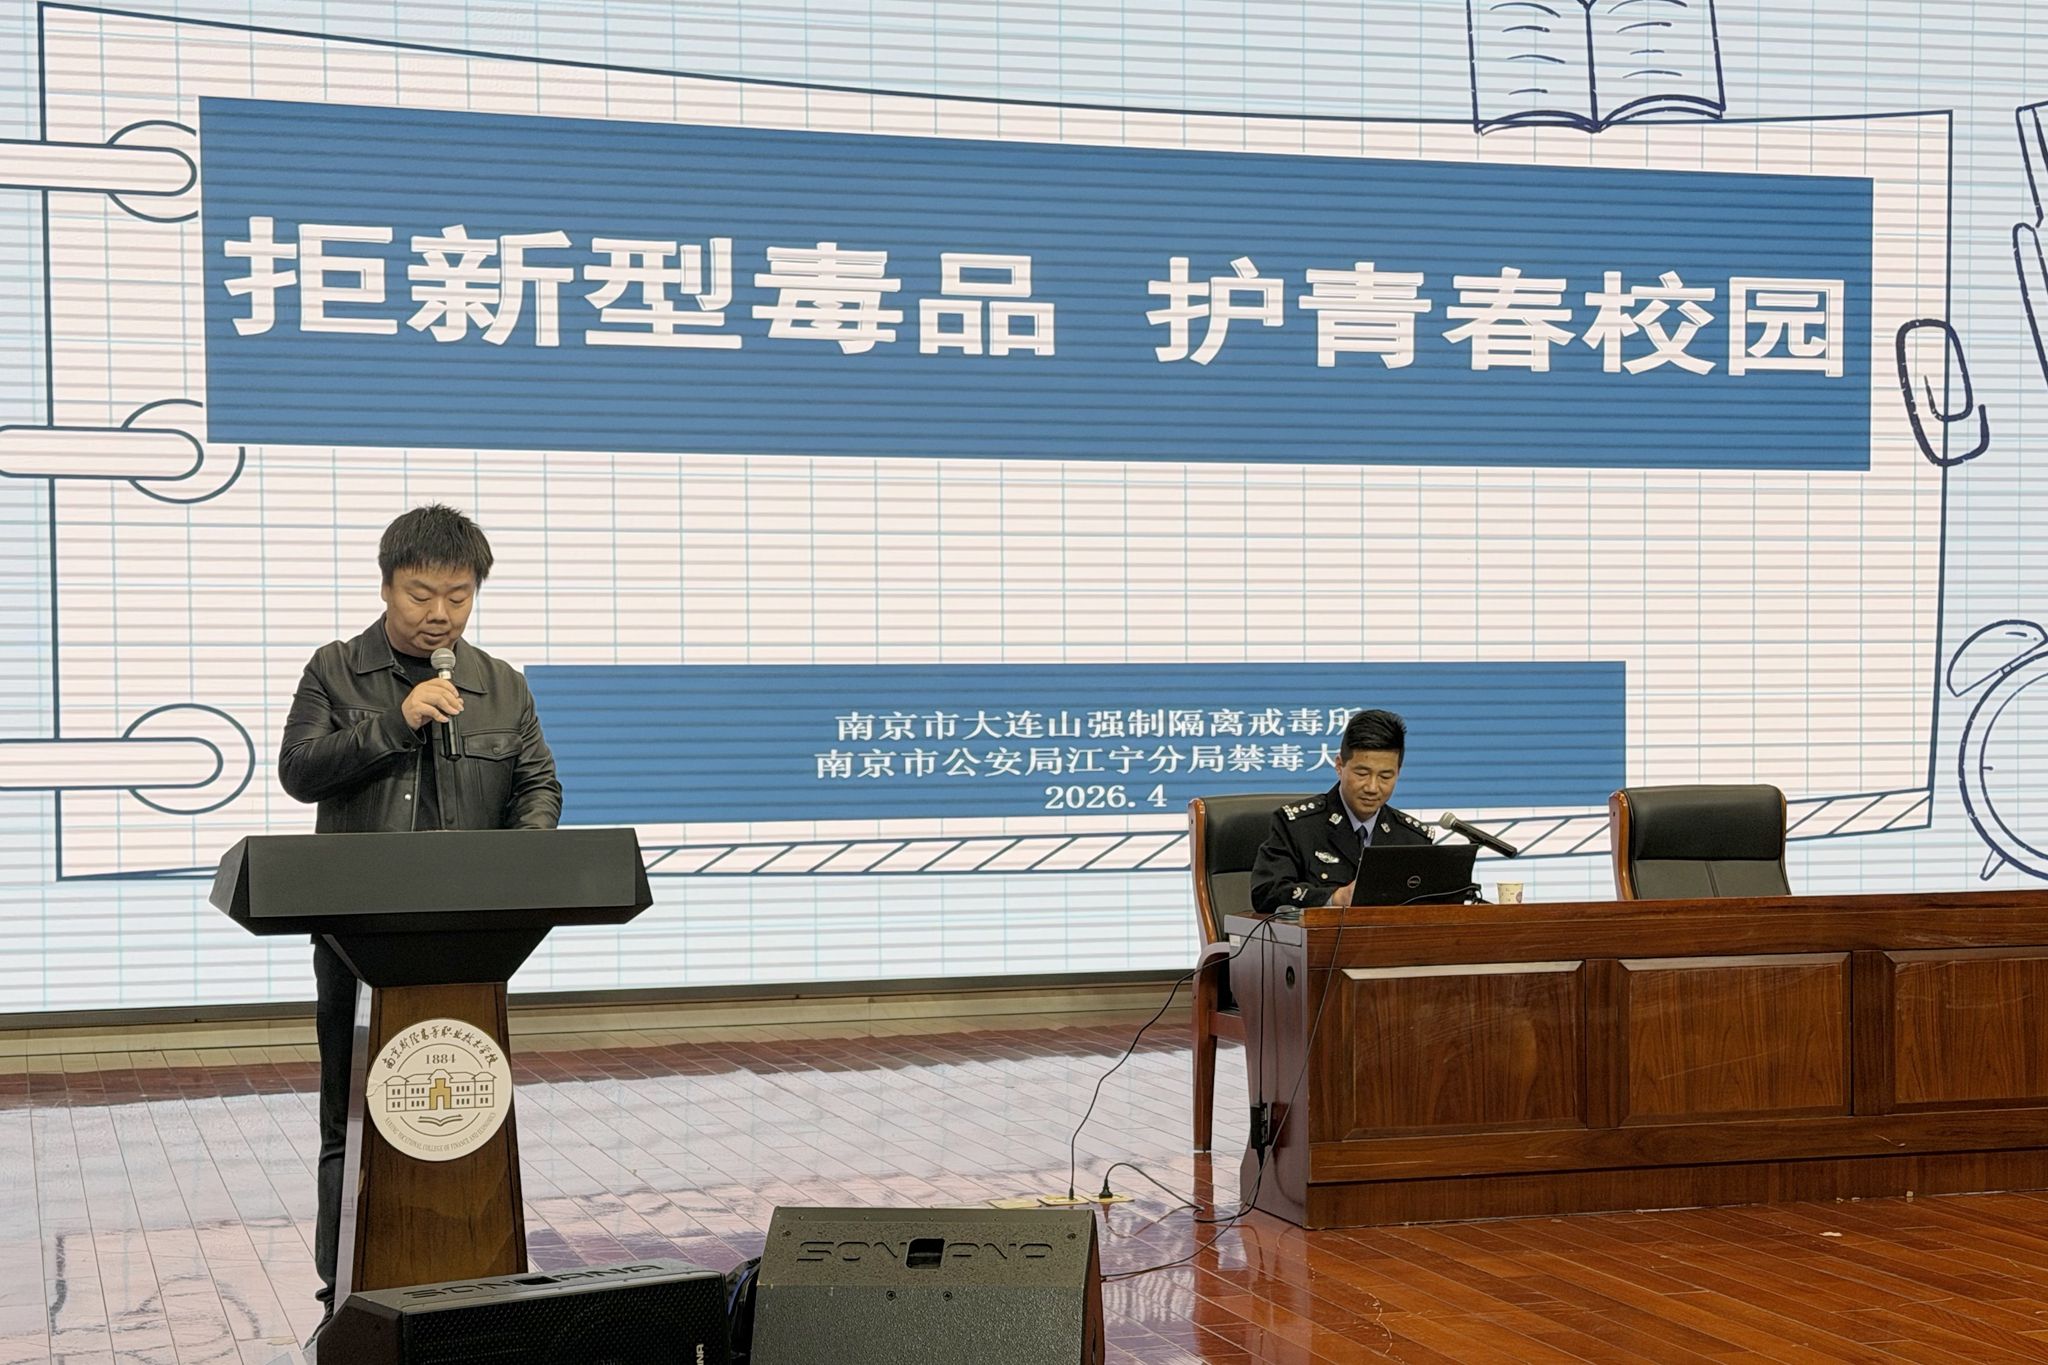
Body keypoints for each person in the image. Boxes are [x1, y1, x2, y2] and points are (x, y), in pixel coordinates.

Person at [277, 505, 561, 1331]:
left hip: (471, 937)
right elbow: (300, 769)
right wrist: (394, 723)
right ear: (386, 585)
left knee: (469, 1103)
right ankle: (342, 1297)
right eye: (421, 594)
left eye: (459, 596)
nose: (440, 614)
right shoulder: (335, 670)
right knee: (353, 1111)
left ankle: (475, 1283)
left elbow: (539, 784)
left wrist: (522, 859)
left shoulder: (501, 683)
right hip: (358, 937)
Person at [1249, 708, 1433, 913]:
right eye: (1362, 773)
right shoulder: (1297, 826)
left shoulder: (1412, 838)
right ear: (1339, 766)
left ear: (1398, 773)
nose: (1372, 787)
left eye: (1385, 777)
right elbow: (1267, 892)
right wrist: (1334, 898)